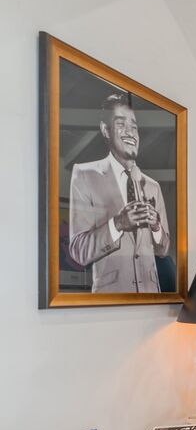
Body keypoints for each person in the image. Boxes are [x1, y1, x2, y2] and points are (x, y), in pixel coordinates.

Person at [68, 93, 170, 293]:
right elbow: (79, 251)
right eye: (121, 124)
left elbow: (164, 249)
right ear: (105, 130)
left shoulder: (152, 186)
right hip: (110, 300)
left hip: (151, 299)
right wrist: (117, 224)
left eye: (134, 126)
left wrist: (157, 226)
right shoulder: (84, 174)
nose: (130, 132)